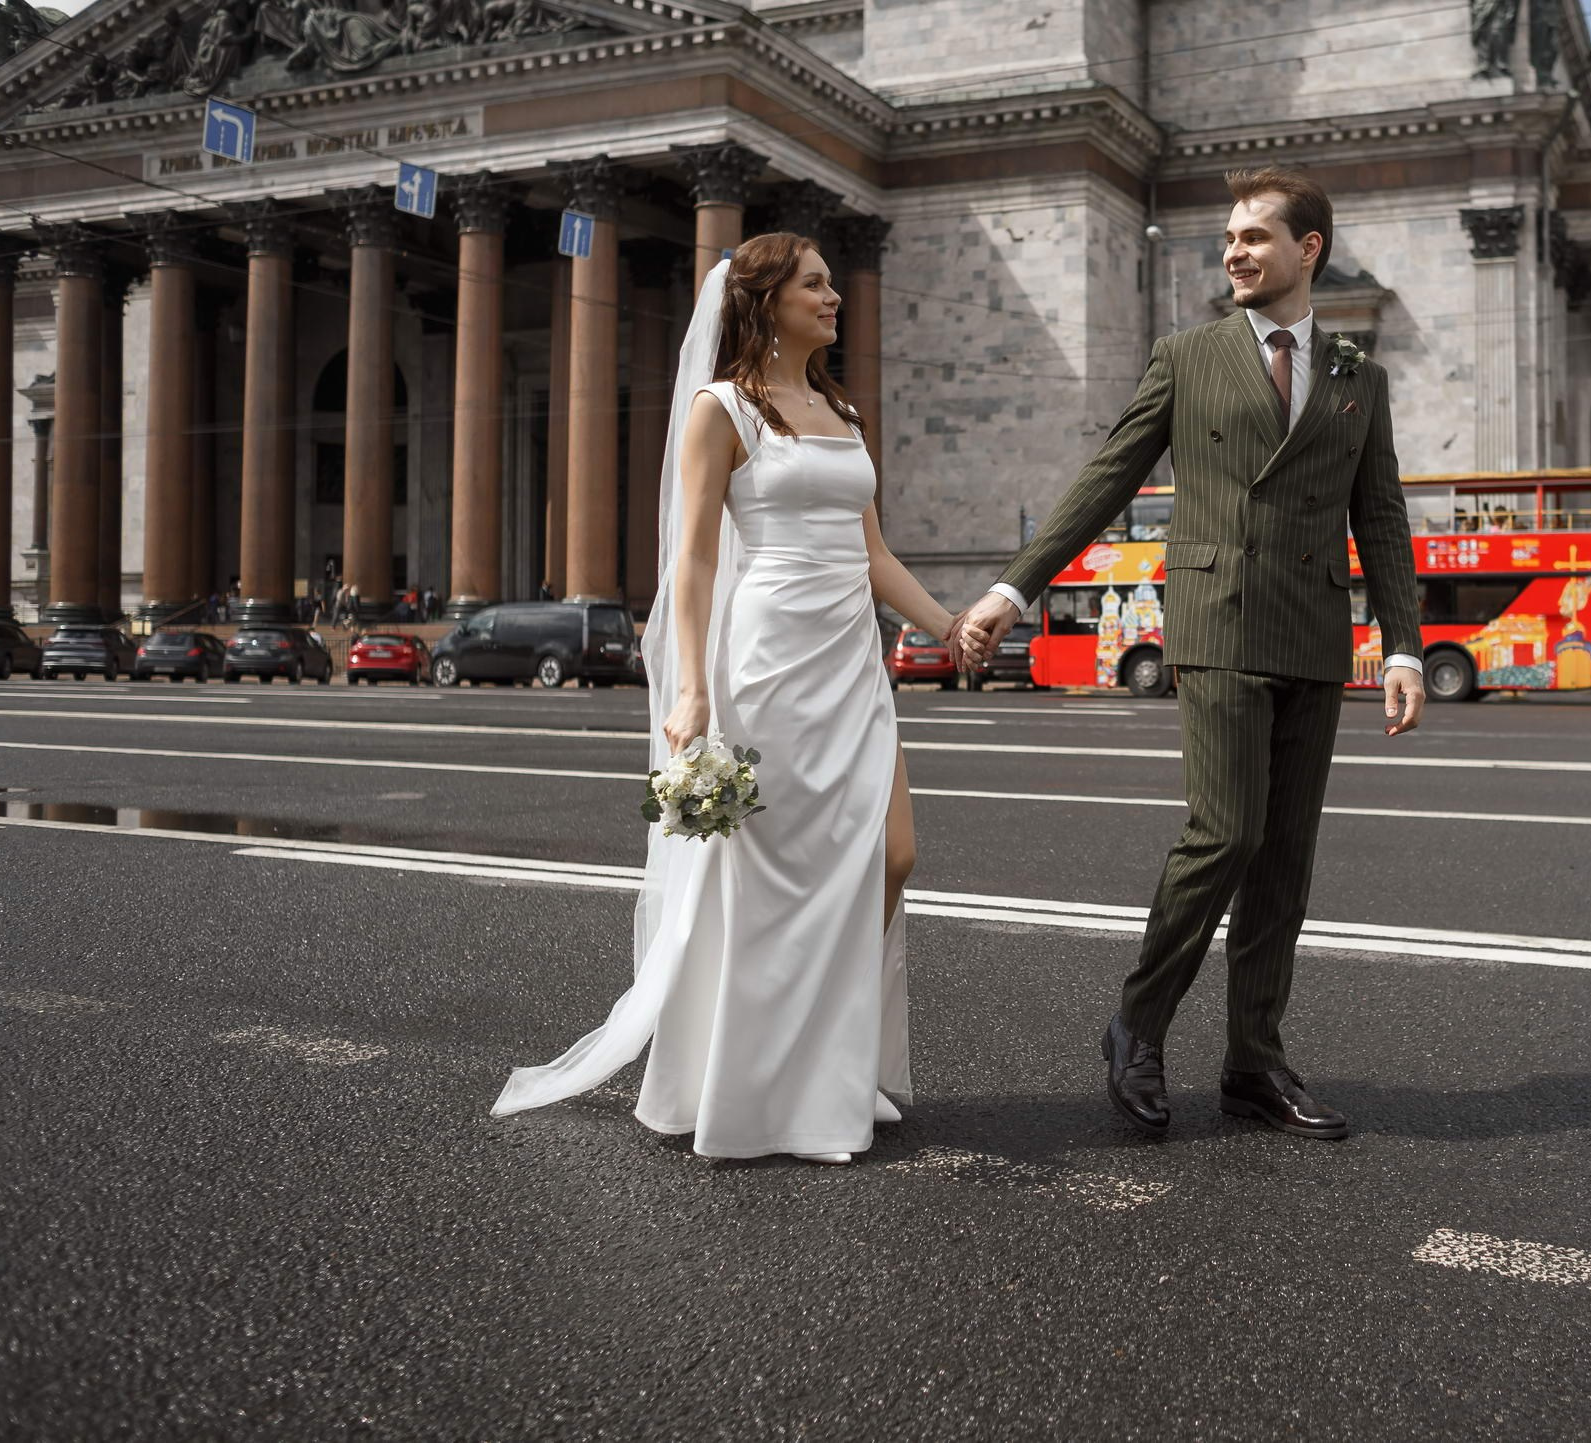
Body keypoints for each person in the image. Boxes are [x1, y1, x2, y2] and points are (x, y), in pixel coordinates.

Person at [954, 165, 1426, 1143]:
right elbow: (1104, 477)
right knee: (1226, 831)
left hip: (1313, 631)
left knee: (1285, 856)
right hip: (1219, 616)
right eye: (1228, 238)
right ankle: (1140, 1019)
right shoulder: (1190, 355)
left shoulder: (1355, 377)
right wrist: (1014, 587)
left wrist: (1404, 644)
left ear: (1309, 249)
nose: (1234, 251)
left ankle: (1254, 1062)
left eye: (1256, 235)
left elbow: (1378, 518)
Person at [496, 232, 958, 1164]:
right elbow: (695, 558)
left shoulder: (841, 407)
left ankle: (826, 1056)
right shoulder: (723, 410)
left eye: (833, 283)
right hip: (768, 664)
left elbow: (872, 554)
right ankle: (769, 1087)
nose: (836, 298)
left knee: (892, 856)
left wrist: (950, 626)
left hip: (850, 662)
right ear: (765, 300)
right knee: (768, 886)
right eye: (817, 285)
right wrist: (693, 686)